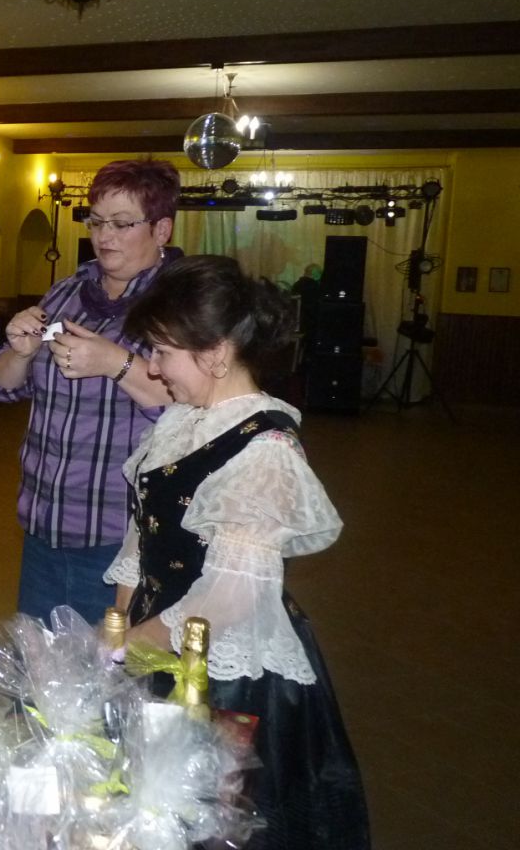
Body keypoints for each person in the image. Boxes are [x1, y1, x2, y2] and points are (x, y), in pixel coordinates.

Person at [109, 254, 370, 850]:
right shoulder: (183, 419)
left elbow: (230, 596)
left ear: (217, 353)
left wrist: (131, 646)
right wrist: (119, 622)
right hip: (157, 640)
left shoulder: (265, 448)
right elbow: (145, 532)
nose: (153, 368)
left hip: (222, 667)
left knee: (215, 819)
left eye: (162, 352)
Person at [0, 159, 179, 624]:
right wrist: (20, 353)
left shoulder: (181, 303)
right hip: (44, 525)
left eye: (122, 223)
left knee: (109, 663)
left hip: (123, 536)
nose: (104, 235)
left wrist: (116, 363)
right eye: (96, 221)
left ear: (161, 229)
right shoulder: (67, 292)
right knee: (41, 662)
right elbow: (2, 386)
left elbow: (197, 407)